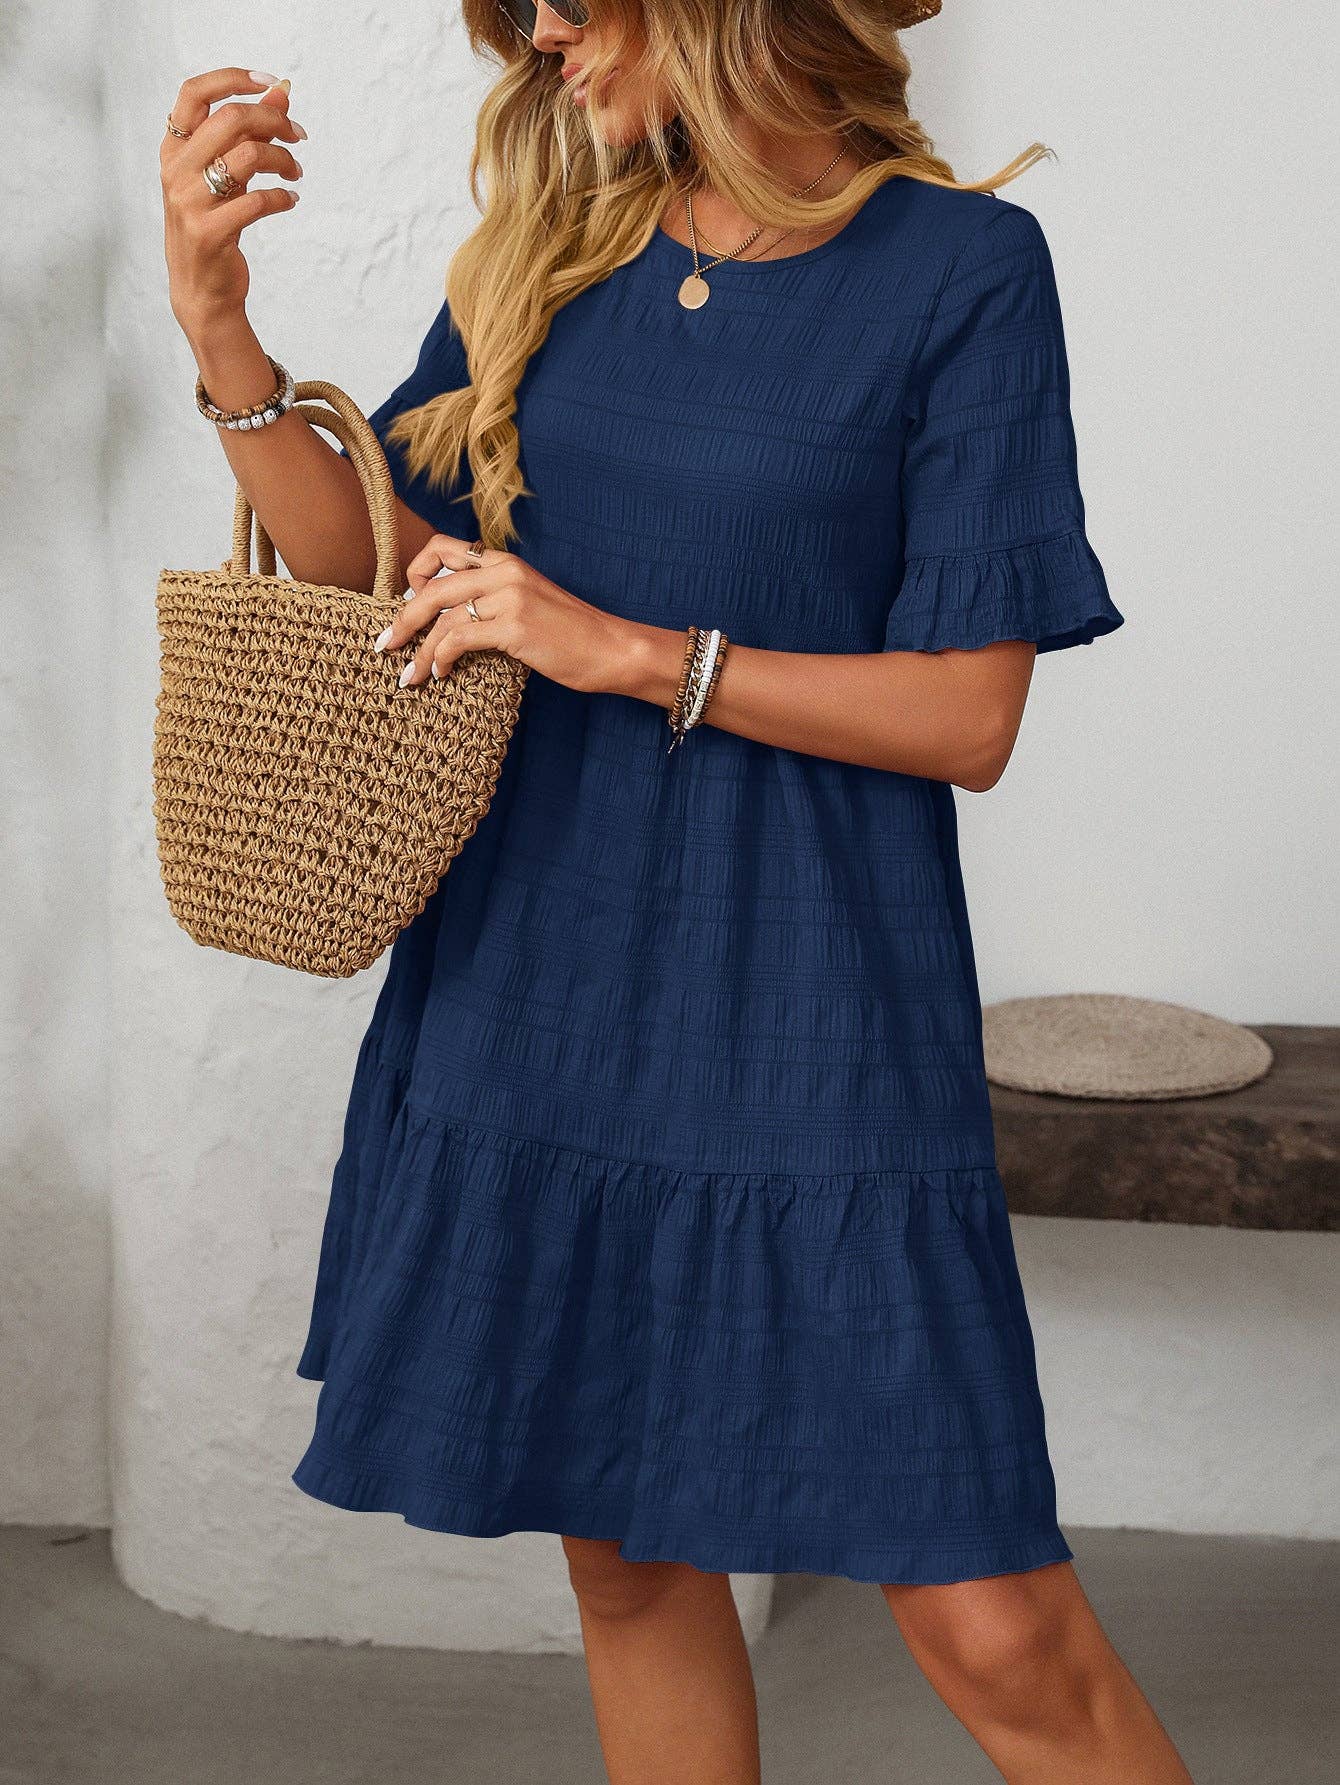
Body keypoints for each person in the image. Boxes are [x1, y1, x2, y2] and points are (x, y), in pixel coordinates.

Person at [159, 4, 1193, 1779]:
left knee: (996, 1623)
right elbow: (378, 570)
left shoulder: (960, 272)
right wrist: (219, 326)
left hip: (815, 1015)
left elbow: (971, 715)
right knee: (629, 1564)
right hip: (539, 985)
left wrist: (636, 651)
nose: (545, 30)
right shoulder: (554, 250)